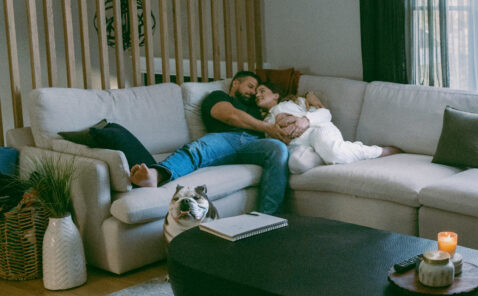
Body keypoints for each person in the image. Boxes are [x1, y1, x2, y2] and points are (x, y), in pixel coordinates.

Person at [129, 71, 301, 213]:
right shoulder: (218, 96)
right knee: (197, 149)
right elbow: (227, 114)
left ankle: (268, 218)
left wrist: (307, 113)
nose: (253, 92)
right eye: (250, 86)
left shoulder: (259, 108)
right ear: (235, 83)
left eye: (256, 90)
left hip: (255, 143)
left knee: (278, 149)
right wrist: (267, 127)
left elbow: (293, 107)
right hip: (225, 139)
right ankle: (156, 175)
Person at [254, 81, 399, 174]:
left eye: (262, 91)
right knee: (296, 164)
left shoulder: (295, 102)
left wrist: (304, 120)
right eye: (256, 93)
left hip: (318, 131)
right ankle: (330, 154)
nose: (257, 95)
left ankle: (380, 151)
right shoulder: (264, 122)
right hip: (300, 146)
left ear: (275, 95)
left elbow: (325, 113)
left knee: (334, 153)